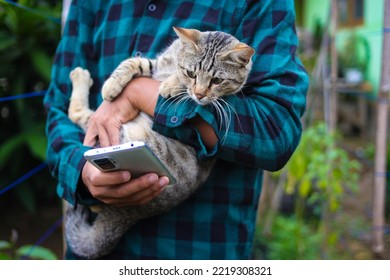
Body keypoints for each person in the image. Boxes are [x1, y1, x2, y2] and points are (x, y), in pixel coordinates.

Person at [44, 0, 308, 259]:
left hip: (192, 252)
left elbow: (276, 132)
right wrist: (81, 172)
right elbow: (58, 104)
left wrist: (142, 95)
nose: (201, 91)